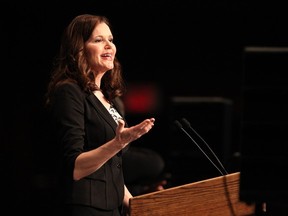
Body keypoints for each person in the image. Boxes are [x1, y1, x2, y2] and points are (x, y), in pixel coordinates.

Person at [44, 14, 156, 216]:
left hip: (112, 208)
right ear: (79, 48)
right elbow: (75, 167)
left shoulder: (108, 99)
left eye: (110, 40)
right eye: (98, 40)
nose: (109, 46)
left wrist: (135, 205)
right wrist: (118, 143)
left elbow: (110, 168)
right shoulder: (69, 91)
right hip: (85, 207)